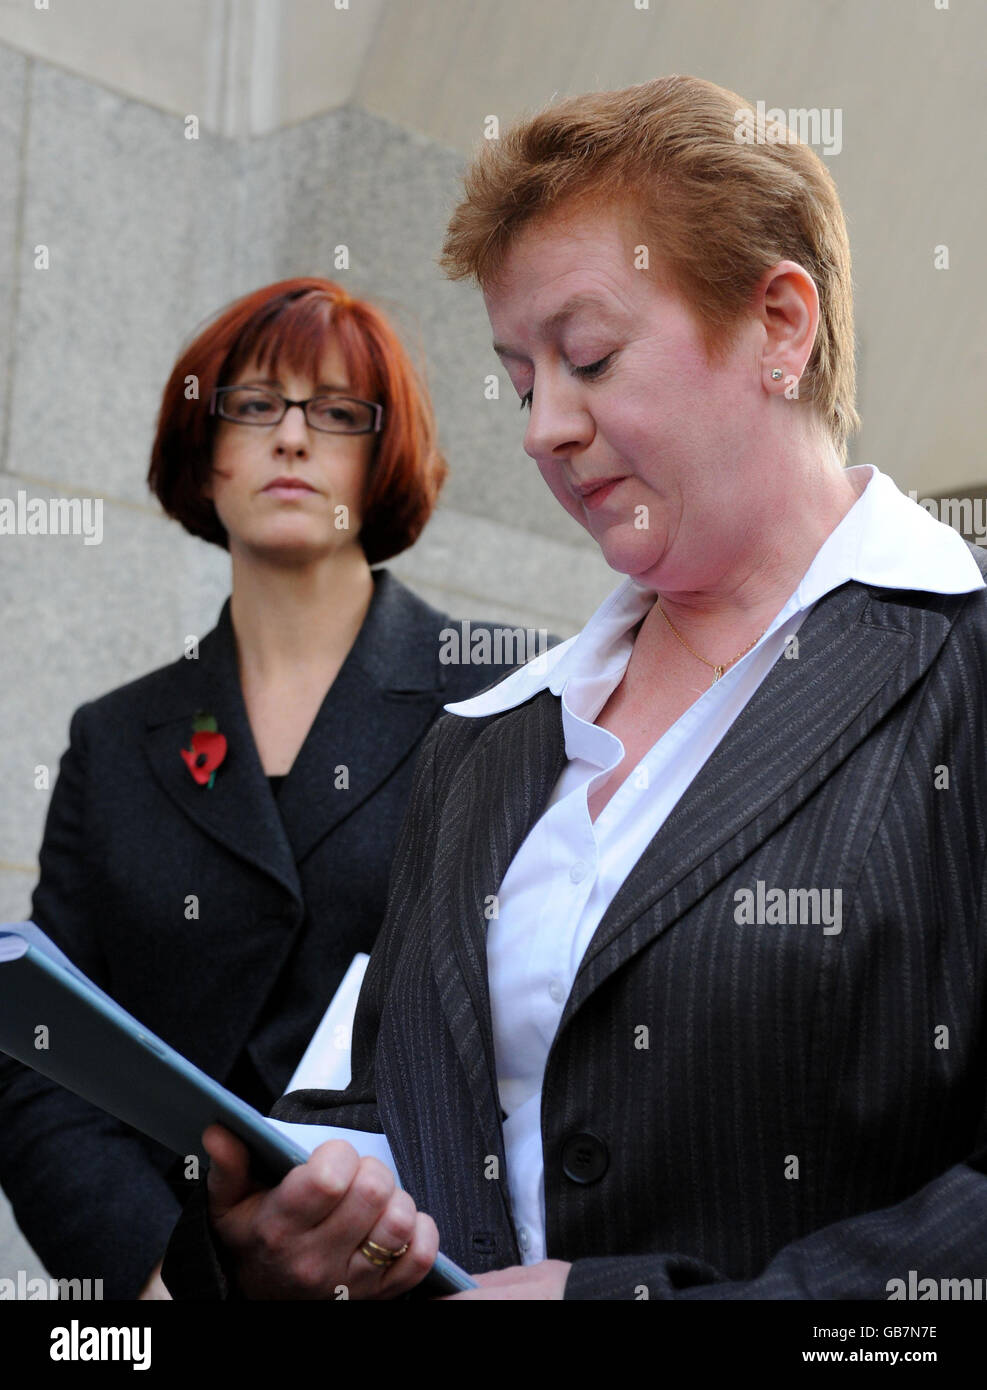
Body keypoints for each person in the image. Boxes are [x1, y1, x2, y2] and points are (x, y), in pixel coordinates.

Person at [160, 76, 987, 1300]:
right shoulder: (487, 739)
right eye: (519, 376)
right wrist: (290, 1230)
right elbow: (378, 1095)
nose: (545, 424)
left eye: (588, 356)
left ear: (779, 324)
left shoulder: (958, 669)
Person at [0, 277, 533, 1300]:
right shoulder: (115, 739)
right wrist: (160, 1276)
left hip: (419, 1274)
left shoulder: (502, 692)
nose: (293, 439)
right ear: (207, 451)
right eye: (254, 405)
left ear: (383, 460)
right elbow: (39, 1051)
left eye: (336, 412)